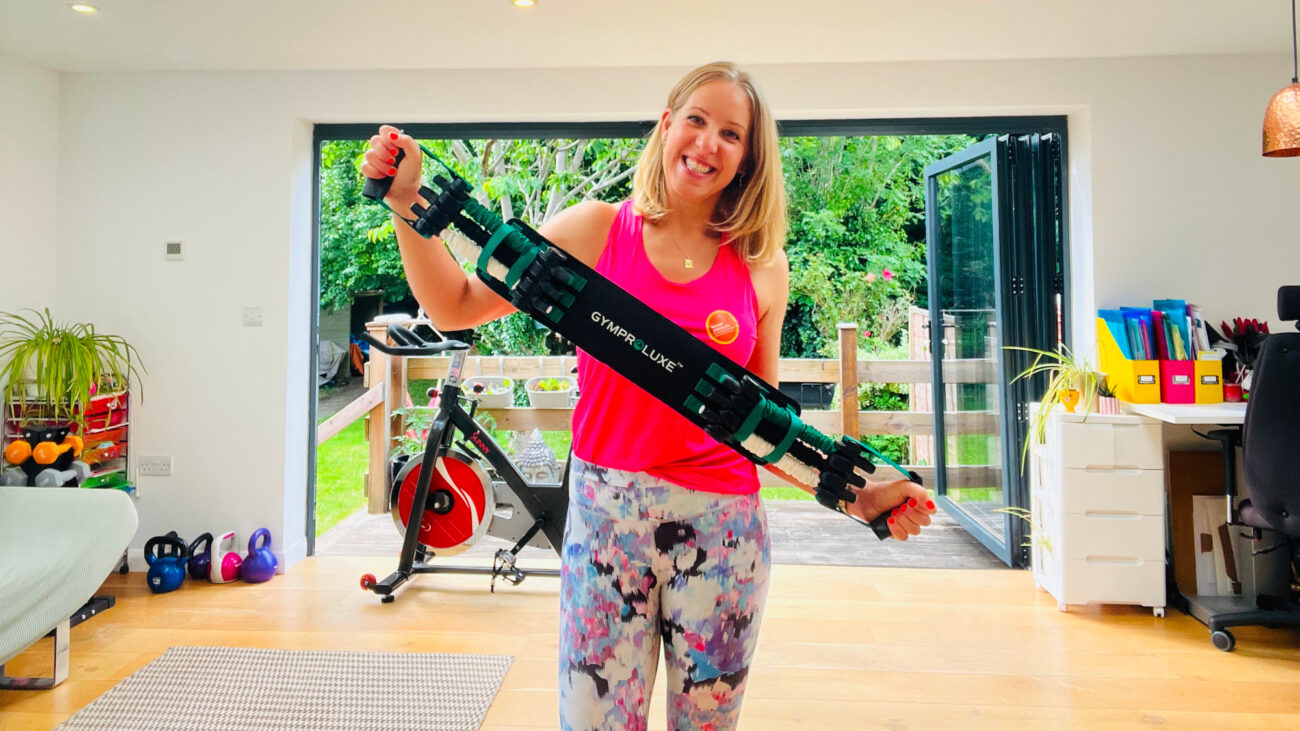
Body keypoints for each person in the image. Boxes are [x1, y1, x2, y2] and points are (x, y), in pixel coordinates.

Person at [362, 61, 936, 731]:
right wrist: (407, 203)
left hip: (724, 532)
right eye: (695, 119)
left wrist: (858, 490)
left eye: (731, 132)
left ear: (749, 157)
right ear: (666, 127)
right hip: (607, 519)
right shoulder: (597, 230)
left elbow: (761, 427)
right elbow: (454, 304)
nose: (707, 142)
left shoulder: (761, 266)